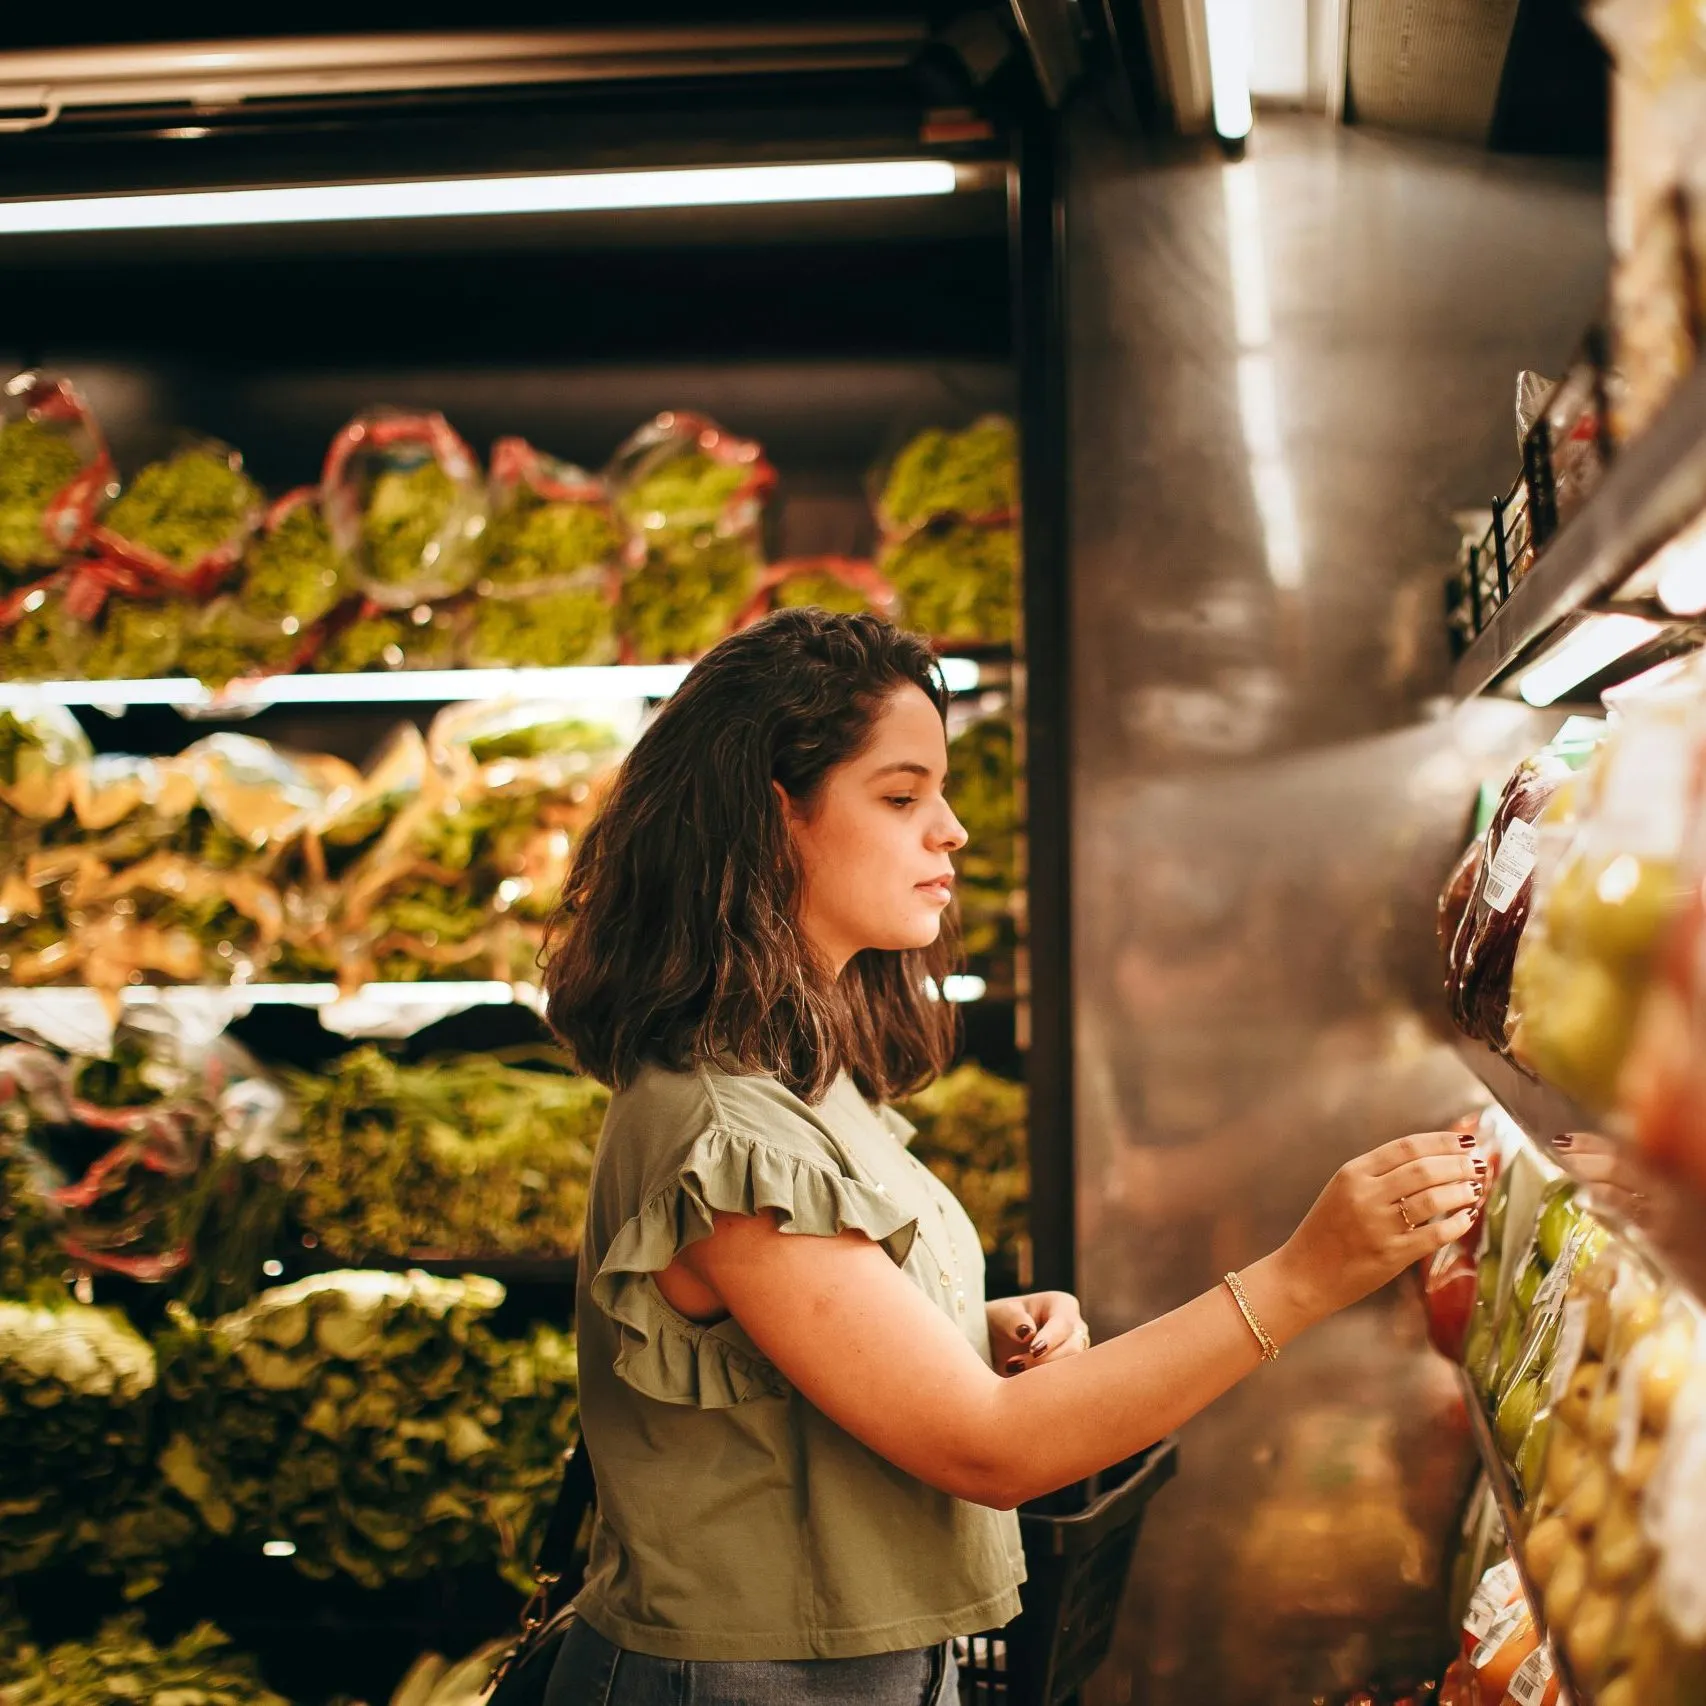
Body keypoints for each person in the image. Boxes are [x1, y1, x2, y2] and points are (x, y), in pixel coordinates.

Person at [539, 609, 1483, 1706]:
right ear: (772, 818)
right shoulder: (724, 1132)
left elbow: (790, 1356)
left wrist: (958, 1328)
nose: (951, 830)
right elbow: (990, 1449)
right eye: (900, 796)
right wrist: (1301, 1274)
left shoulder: (802, 1077)